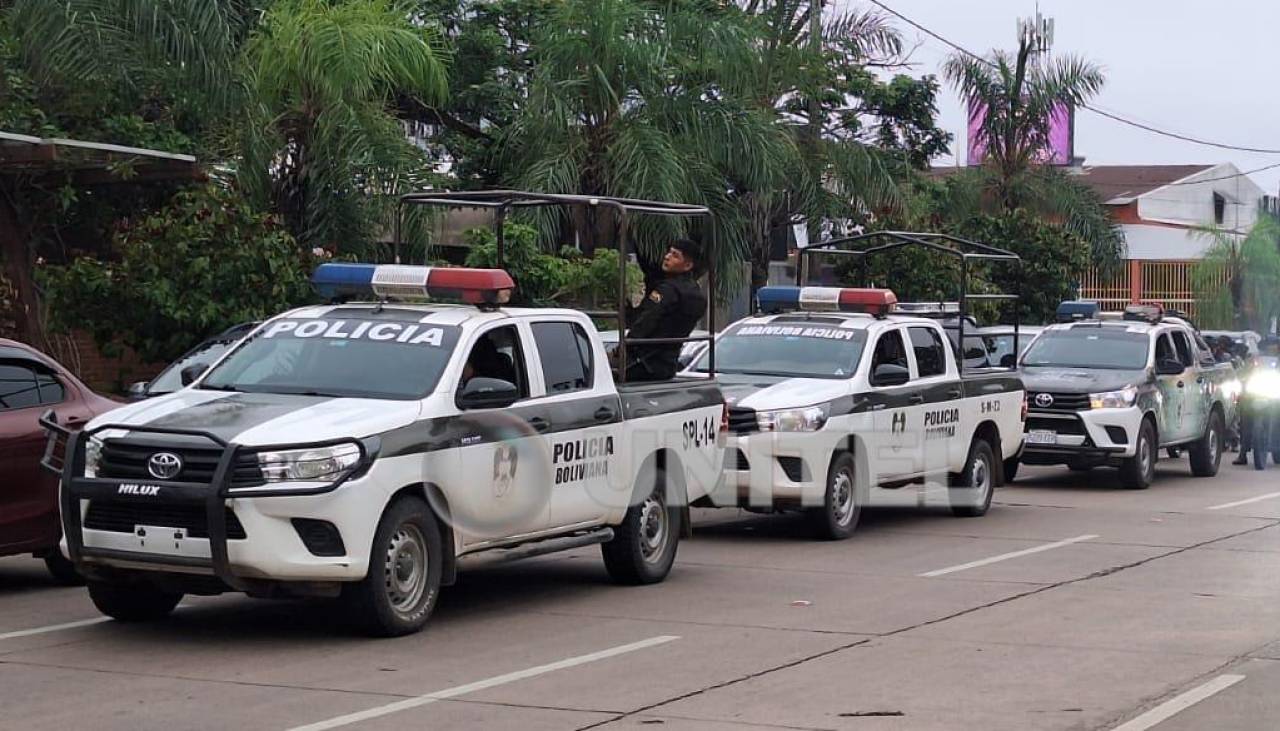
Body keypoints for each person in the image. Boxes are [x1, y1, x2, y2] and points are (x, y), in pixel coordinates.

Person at [618, 239, 707, 382]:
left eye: (675, 255)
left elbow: (646, 321)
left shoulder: (668, 290)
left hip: (643, 362)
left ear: (688, 265)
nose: (667, 257)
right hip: (668, 364)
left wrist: (624, 348)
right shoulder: (698, 295)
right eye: (669, 252)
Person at [1235, 336, 1280, 465]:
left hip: (1276, 393)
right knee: (1245, 416)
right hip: (1257, 392)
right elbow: (1242, 374)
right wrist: (1243, 381)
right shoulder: (1255, 359)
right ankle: (1242, 454)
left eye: (1274, 345)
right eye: (1268, 346)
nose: (1271, 348)